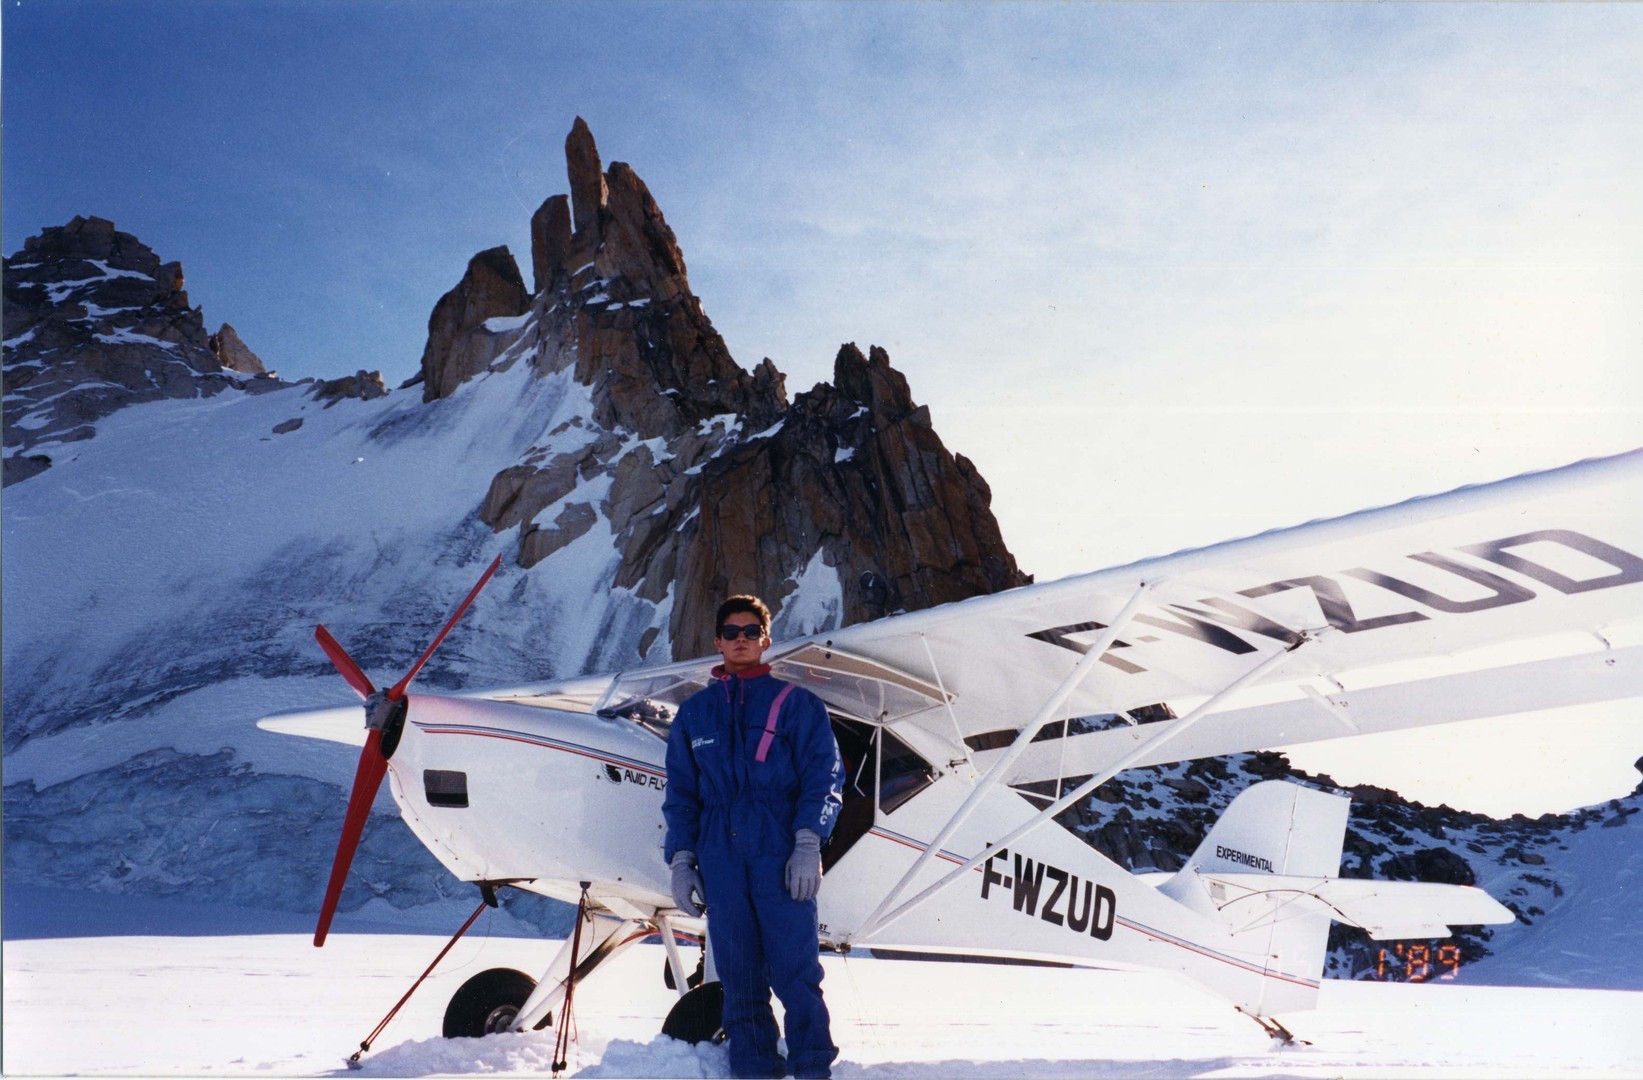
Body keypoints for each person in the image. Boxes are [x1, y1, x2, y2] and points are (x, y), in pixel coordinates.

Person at [662, 595, 844, 1080]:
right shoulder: (694, 715)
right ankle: (754, 1069)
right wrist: (682, 859)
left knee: (795, 974)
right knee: (740, 980)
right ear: (718, 640)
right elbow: (681, 793)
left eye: (750, 631)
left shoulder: (798, 705)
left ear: (766, 639)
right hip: (720, 857)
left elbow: (824, 778)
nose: (740, 639)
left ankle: (811, 1069)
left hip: (778, 850)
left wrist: (808, 843)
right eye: (730, 631)